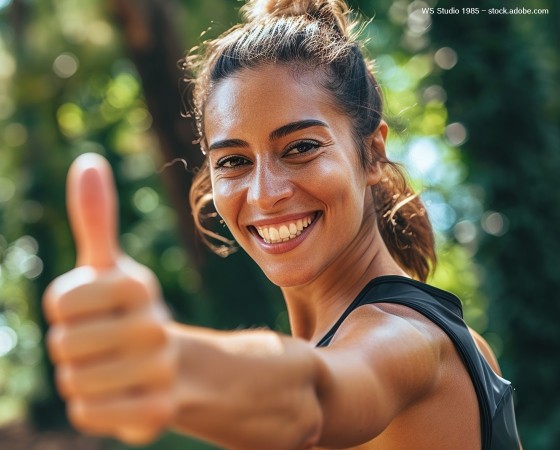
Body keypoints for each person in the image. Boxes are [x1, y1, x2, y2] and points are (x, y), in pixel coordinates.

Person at [42, 0, 521, 448]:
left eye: (301, 148)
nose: (265, 193)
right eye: (232, 161)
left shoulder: (408, 338)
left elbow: (316, 393)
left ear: (371, 152)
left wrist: (168, 364)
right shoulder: (410, 337)